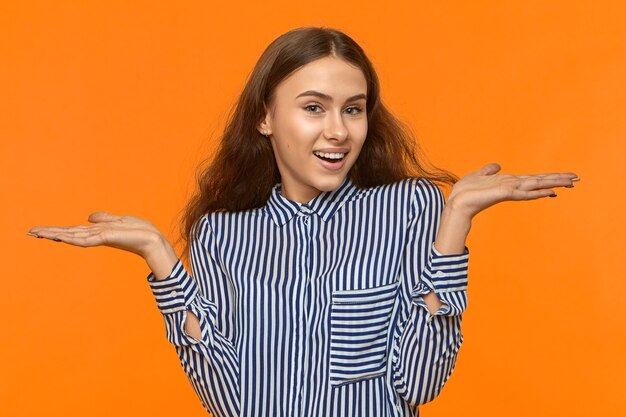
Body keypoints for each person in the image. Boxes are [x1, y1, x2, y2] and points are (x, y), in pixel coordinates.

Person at [28, 27, 578, 417]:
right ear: (265, 117)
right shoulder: (222, 232)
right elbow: (228, 401)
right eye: (313, 107)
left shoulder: (411, 207)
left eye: (353, 108)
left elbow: (421, 383)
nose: (338, 130)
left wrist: (455, 219)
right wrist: (159, 256)